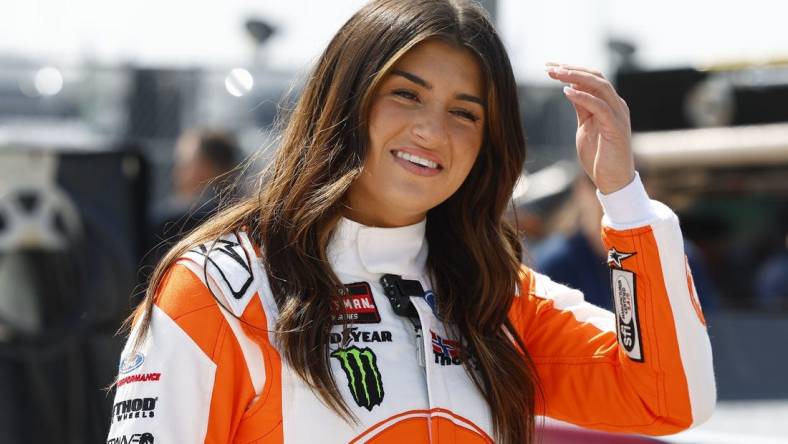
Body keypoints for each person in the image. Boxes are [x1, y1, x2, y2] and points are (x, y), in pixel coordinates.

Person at [107, 1, 716, 443]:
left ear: (487, 145)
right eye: (406, 94)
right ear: (346, 99)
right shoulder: (223, 288)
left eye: (464, 112)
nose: (432, 130)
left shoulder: (494, 299)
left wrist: (625, 201)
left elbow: (671, 398)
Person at [534, 173, 721, 311]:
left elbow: (706, 327)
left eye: (630, 181)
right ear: (580, 190)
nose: (613, 193)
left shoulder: (677, 256)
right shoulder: (552, 264)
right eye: (596, 182)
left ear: (648, 189)